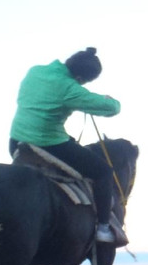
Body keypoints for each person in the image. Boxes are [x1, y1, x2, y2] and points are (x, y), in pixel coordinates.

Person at [9, 47, 124, 243]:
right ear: (80, 78)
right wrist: (109, 99)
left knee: (68, 140)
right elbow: (112, 108)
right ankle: (103, 229)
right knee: (103, 172)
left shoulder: (35, 71)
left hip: (16, 140)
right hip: (46, 144)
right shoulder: (70, 89)